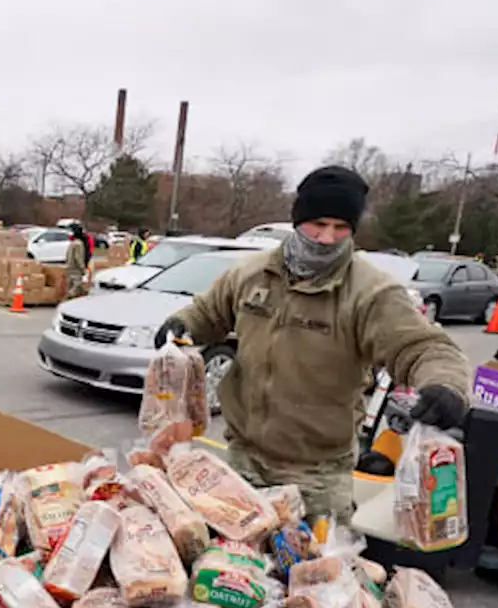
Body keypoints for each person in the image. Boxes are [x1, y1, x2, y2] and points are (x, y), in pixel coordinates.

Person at [153, 165, 470, 521]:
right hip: (242, 456)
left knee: (314, 569)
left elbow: (422, 347)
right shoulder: (251, 273)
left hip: (317, 473)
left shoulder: (370, 291)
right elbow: (208, 313)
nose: (327, 238)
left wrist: (446, 385)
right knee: (232, 566)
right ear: (297, 220)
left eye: (340, 228)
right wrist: (182, 325)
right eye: (317, 224)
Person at [65, 222, 88, 298]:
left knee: (71, 286)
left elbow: (67, 255)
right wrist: (83, 268)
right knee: (76, 286)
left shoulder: (72, 243)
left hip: (69, 267)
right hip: (76, 269)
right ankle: (69, 297)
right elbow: (78, 257)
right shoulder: (79, 244)